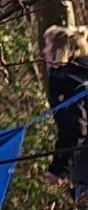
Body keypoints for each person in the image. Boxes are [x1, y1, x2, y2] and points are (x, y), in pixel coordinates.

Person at [46, 26, 88, 199]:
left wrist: (58, 168)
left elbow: (74, 128)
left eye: (47, 46)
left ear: (59, 50)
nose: (44, 51)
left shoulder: (65, 81)